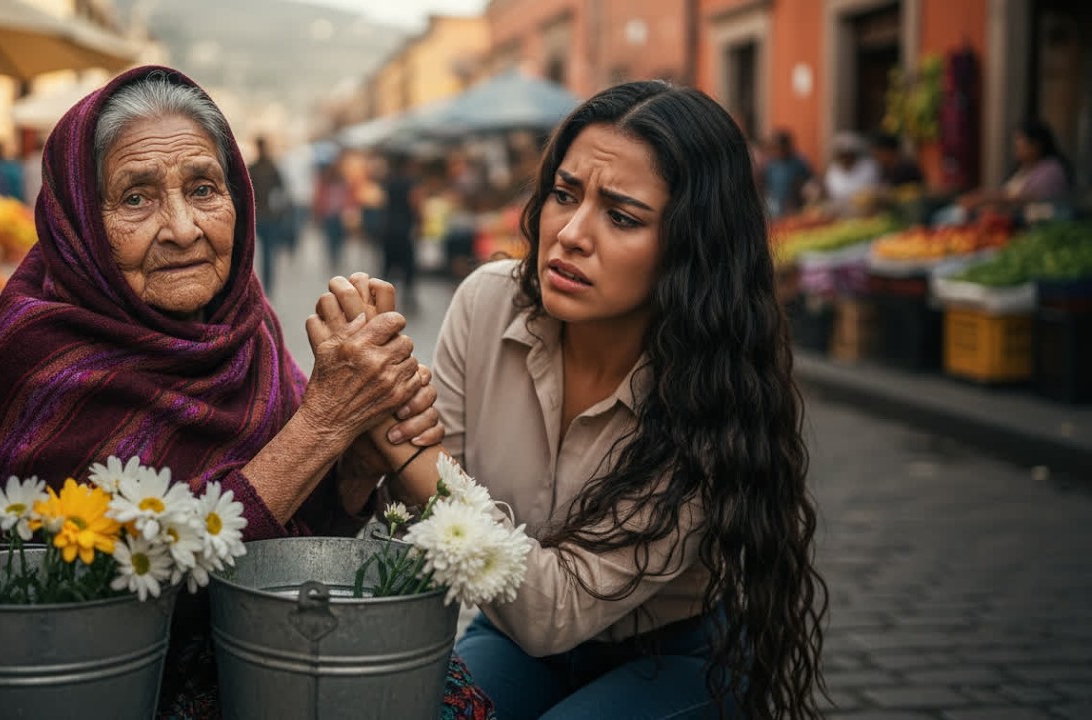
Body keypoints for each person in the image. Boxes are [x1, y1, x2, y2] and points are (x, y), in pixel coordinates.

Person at [0, 66, 493, 719]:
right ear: (79, 221)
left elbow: (290, 547)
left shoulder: (246, 326)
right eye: (136, 198)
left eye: (204, 189)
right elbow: (94, 605)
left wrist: (353, 468)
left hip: (251, 647)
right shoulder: (41, 355)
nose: (182, 229)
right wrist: (321, 425)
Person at [316, 81, 828, 719]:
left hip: (672, 653)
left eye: (622, 217)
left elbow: (550, 610)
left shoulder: (712, 388)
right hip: (514, 634)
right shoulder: (488, 303)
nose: (571, 234)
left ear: (692, 248)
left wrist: (395, 436)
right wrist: (365, 416)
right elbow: (426, 514)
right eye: (564, 194)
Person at [958, 119, 1074, 211]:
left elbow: (1031, 198)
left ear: (1036, 145)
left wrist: (990, 198)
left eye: (1021, 144)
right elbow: (1007, 193)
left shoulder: (1051, 170)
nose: (1017, 148)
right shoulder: (1023, 169)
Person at [379, 152, 421, 309]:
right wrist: (419, 221)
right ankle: (408, 297)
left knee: (388, 264)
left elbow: (382, 202)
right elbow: (414, 202)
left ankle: (383, 297)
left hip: (388, 227)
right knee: (408, 264)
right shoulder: (411, 183)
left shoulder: (388, 182)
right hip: (404, 228)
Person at [247, 136, 286, 294]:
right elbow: (281, 190)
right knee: (266, 253)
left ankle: (262, 286)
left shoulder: (254, 168)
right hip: (266, 215)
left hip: (260, 215)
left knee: (261, 253)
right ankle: (265, 286)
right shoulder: (271, 167)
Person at [761, 130, 813, 218]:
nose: (777, 150)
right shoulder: (771, 165)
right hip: (775, 208)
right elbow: (766, 186)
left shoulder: (798, 163)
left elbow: (810, 183)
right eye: (775, 147)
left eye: (780, 147)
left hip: (795, 208)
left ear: (787, 146)